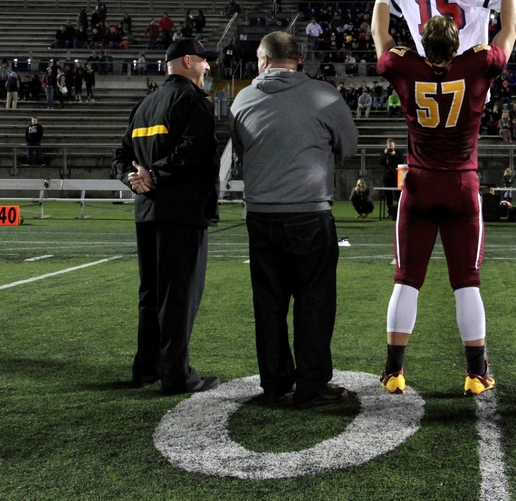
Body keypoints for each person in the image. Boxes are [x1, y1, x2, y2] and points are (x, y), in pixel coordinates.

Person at [371, 0, 516, 395]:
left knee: (407, 280)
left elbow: (382, 36)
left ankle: (394, 371)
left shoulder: (404, 67)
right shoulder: (474, 65)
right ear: (457, 44)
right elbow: (506, 33)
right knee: (466, 283)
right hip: (461, 186)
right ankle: (476, 374)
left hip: (417, 185)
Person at [230, 31, 358, 408]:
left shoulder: (243, 98)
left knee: (268, 304)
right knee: (314, 302)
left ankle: (274, 384)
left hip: (262, 216)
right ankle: (312, 387)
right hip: (309, 212)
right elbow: (347, 147)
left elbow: (241, 151)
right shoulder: (323, 95)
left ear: (263, 60)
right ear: (298, 60)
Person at [112, 38, 221, 395]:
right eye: (204, 61)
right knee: (179, 295)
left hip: (146, 212)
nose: (208, 68)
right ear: (188, 60)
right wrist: (154, 175)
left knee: (152, 294)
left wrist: (133, 177)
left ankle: (147, 368)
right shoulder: (193, 102)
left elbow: (120, 154)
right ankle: (176, 376)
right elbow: (193, 152)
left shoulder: (144, 105)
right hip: (182, 213)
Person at [379, 138, 404, 219]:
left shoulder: (398, 152)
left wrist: (394, 155)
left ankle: (399, 212)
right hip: (387, 176)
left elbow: (402, 161)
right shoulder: (384, 152)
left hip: (396, 175)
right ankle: (390, 212)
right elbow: (380, 162)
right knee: (388, 195)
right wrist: (385, 154)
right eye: (389, 146)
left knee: (398, 194)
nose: (390, 147)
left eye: (392, 146)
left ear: (394, 145)